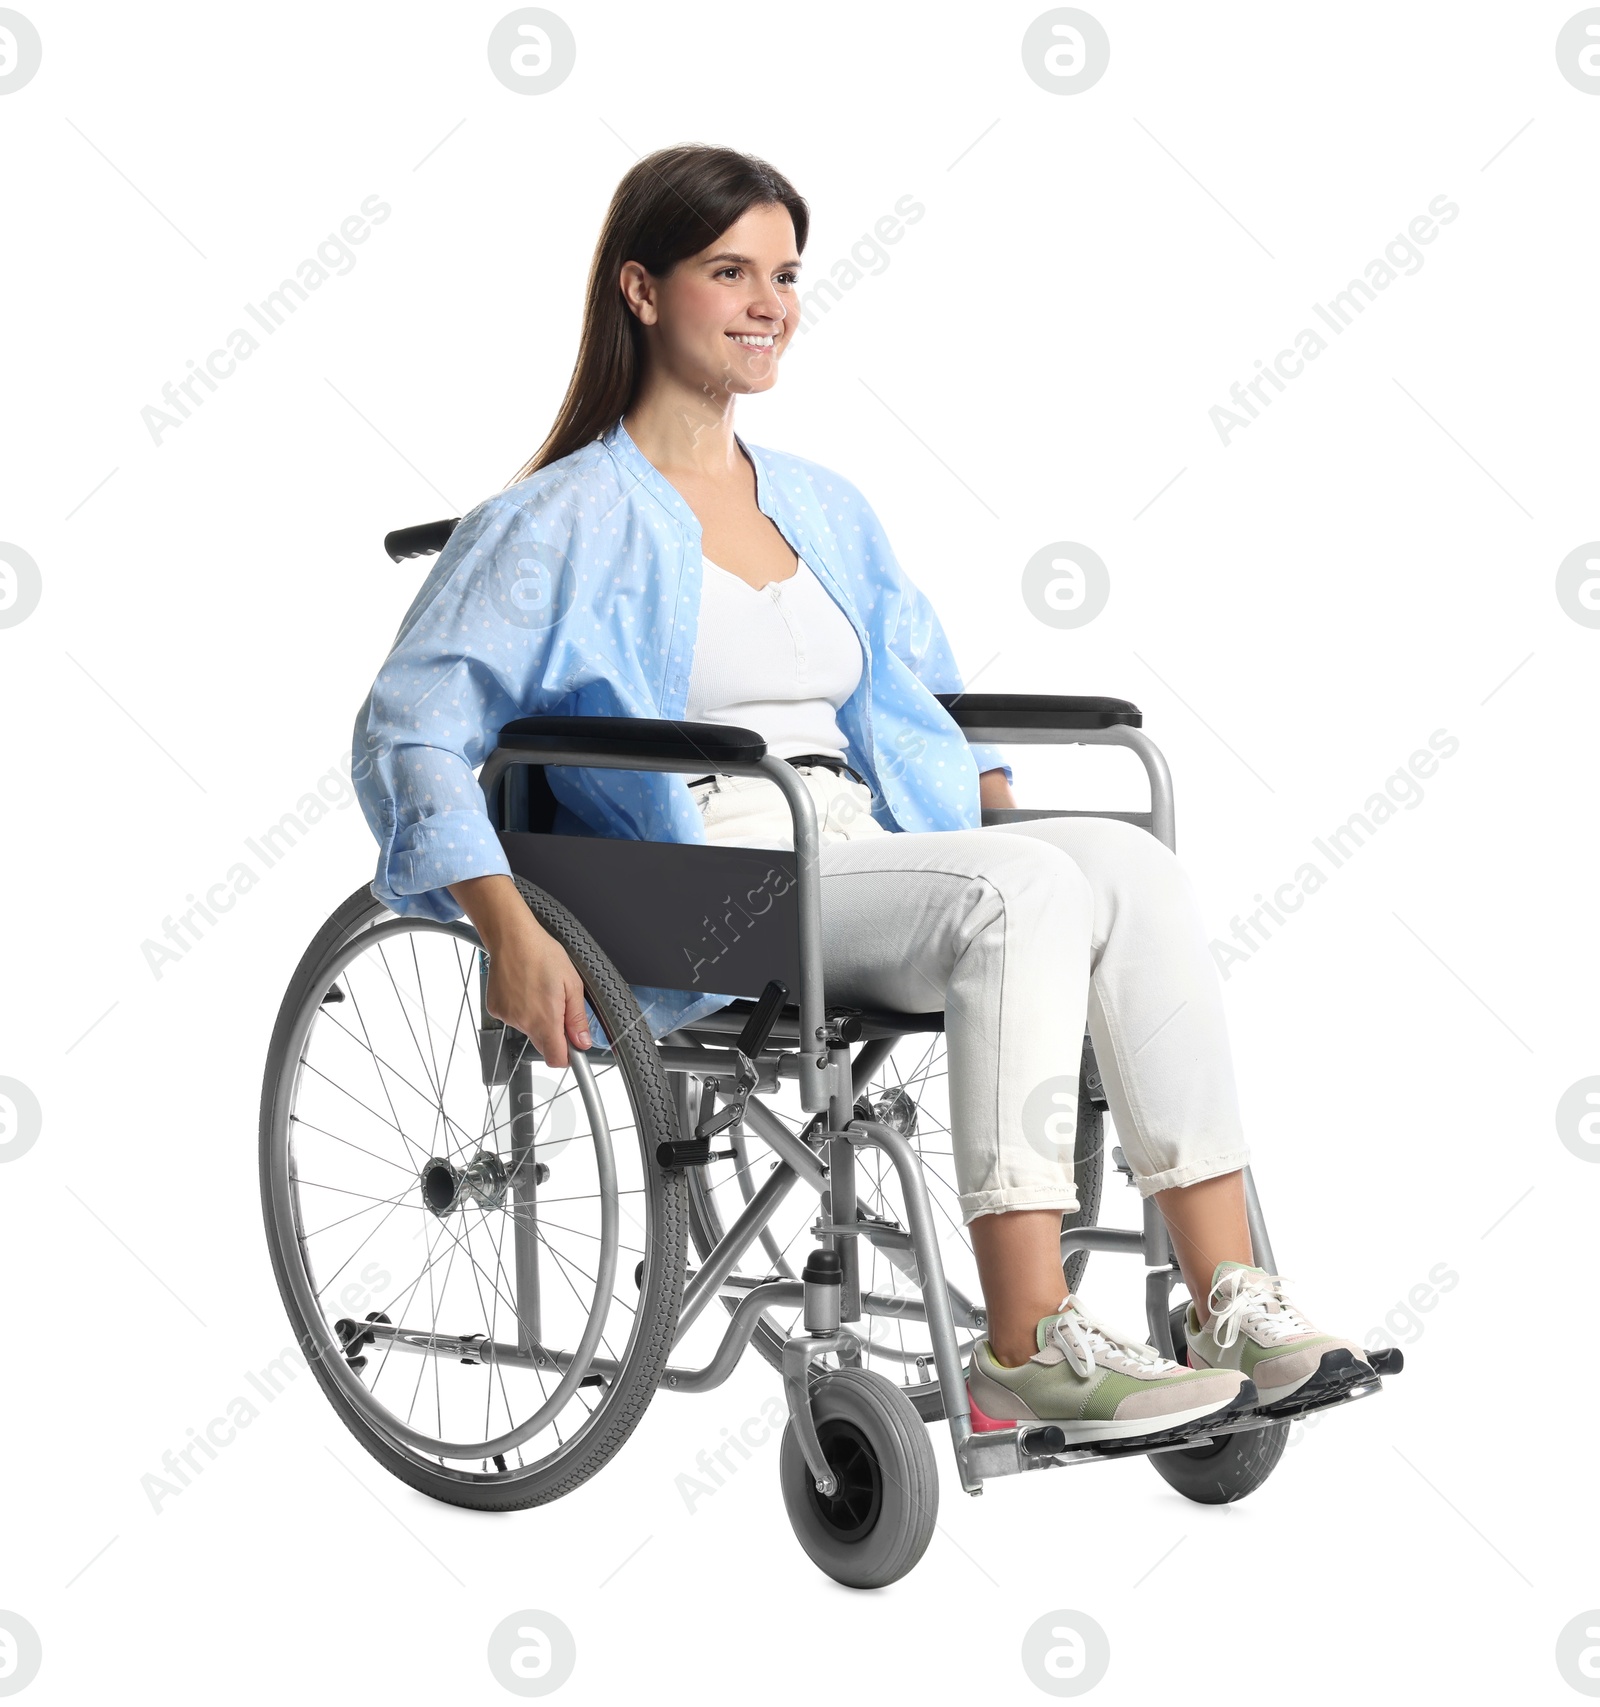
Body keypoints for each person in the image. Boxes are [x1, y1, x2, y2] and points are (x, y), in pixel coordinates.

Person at [352, 143, 1371, 1448]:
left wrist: (990, 800)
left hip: (859, 846)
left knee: (1124, 862)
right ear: (643, 291)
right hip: (703, 879)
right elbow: (410, 733)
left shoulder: (825, 508)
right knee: (1023, 892)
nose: (769, 300)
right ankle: (1025, 1344)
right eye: (731, 271)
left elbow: (912, 704)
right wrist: (508, 924)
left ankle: (1230, 1296)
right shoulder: (555, 520)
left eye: (784, 273)